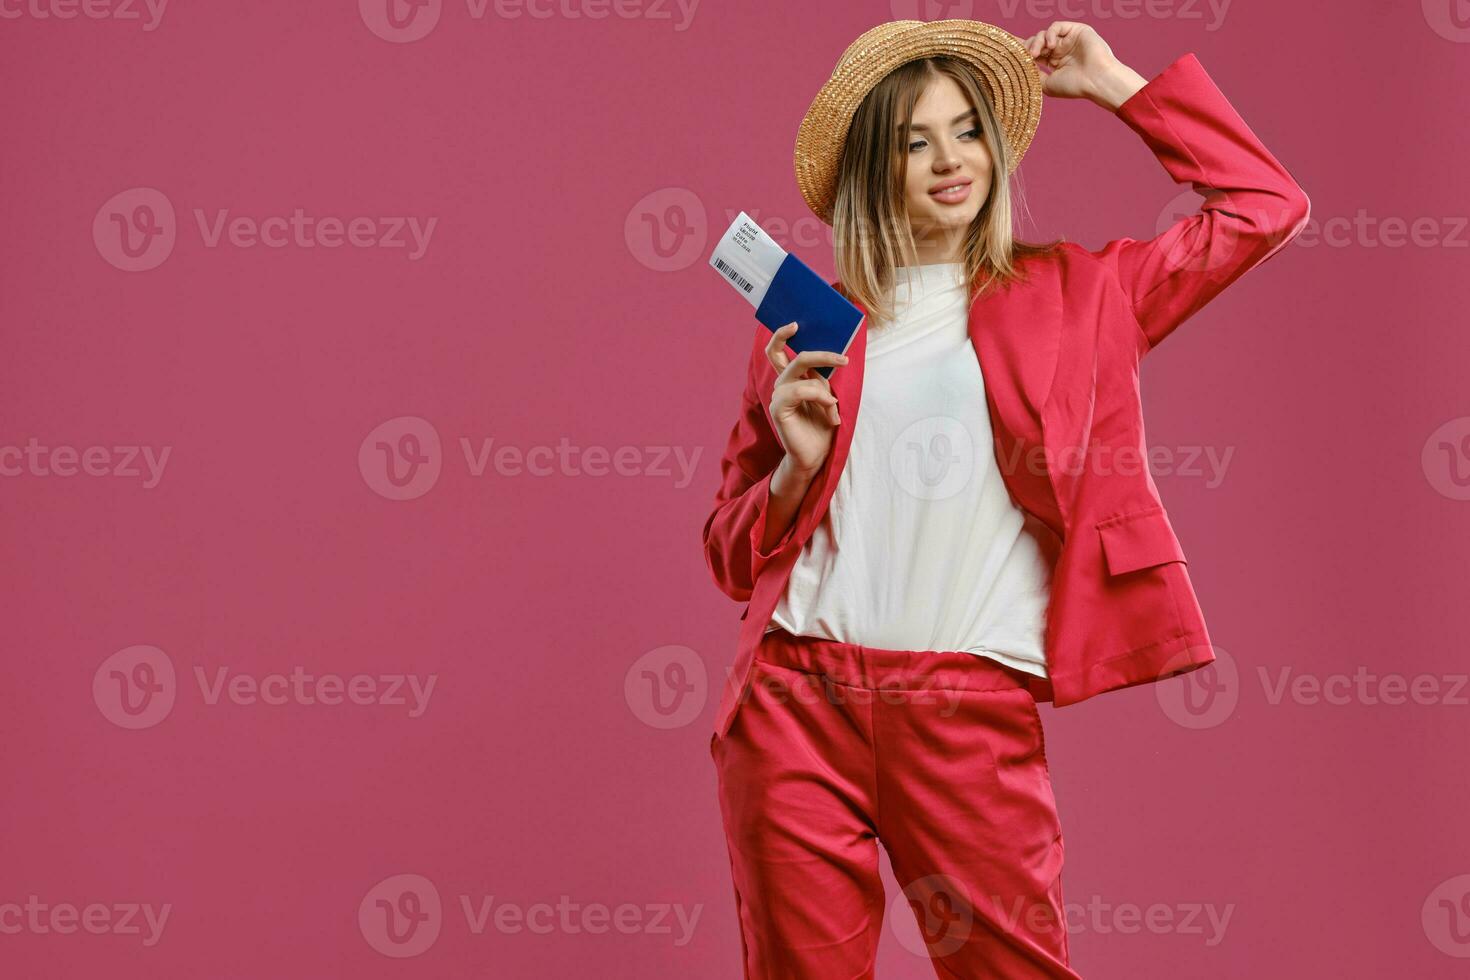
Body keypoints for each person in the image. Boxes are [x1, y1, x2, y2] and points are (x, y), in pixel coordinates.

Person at [702, 18, 1309, 979]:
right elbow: (730, 555)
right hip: (792, 703)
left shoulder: (1081, 294)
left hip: (965, 704)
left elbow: (1263, 205)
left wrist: (1114, 83)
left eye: (969, 130)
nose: (952, 160)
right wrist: (792, 468)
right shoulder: (803, 327)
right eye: (914, 140)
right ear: (872, 166)